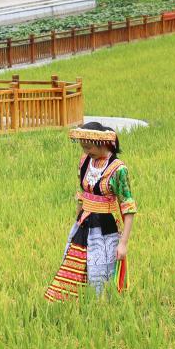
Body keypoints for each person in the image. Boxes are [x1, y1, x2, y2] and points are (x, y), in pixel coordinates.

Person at [45, 122, 136, 301]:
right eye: (83, 147)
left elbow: (128, 207)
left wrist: (123, 243)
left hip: (105, 228)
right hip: (84, 223)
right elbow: (82, 194)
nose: (86, 151)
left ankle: (102, 305)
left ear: (102, 142)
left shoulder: (118, 169)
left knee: (101, 270)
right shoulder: (85, 161)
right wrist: (76, 222)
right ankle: (72, 300)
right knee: (75, 264)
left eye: (89, 147)